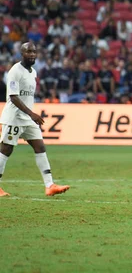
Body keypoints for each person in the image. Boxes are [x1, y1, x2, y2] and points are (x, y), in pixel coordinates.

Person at [0, 43, 70, 197]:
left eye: (34, 51)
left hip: (28, 118)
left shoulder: (33, 72)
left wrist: (30, 115)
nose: (32, 54)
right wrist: (32, 113)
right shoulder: (15, 71)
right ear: (21, 53)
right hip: (15, 117)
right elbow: (13, 97)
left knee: (40, 147)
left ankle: (49, 185)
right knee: (6, 149)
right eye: (28, 51)